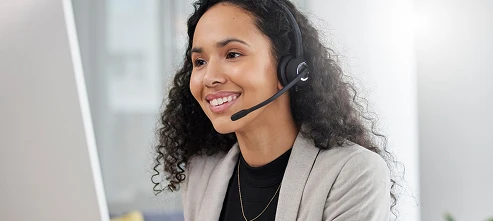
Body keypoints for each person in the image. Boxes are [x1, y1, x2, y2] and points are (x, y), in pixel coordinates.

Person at [152, 0, 397, 220]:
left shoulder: (352, 173)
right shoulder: (202, 173)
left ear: (289, 71)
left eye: (233, 54)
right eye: (200, 62)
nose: (209, 78)